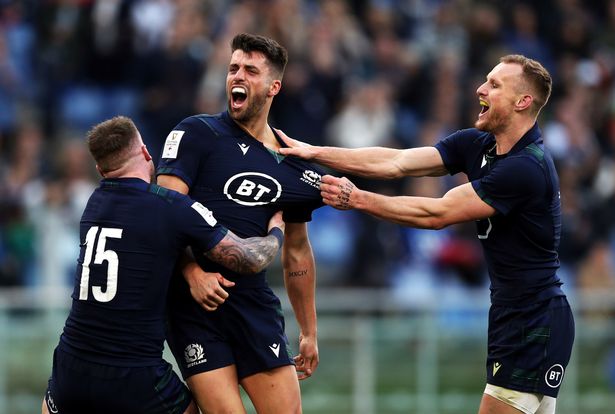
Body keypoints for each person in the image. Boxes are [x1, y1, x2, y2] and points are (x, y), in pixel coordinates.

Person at [279, 54, 574, 414]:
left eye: (495, 84)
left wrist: (357, 199)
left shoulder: (526, 168)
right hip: (517, 316)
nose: (480, 89)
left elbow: (437, 213)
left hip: (532, 320)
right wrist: (316, 152)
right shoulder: (479, 145)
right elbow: (396, 162)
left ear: (522, 102)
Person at [42, 116, 287, 414]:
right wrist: (277, 230)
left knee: (51, 403)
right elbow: (249, 259)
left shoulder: (93, 206)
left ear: (100, 169)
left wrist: (190, 269)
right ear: (146, 153)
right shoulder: (170, 206)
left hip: (71, 365)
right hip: (133, 369)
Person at [156, 33, 324, 413]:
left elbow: (297, 251)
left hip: (252, 305)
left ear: (273, 87)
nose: (238, 76)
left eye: (250, 70)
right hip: (194, 305)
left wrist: (310, 332)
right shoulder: (196, 133)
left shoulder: (294, 164)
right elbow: (163, 211)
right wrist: (192, 272)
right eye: (233, 68)